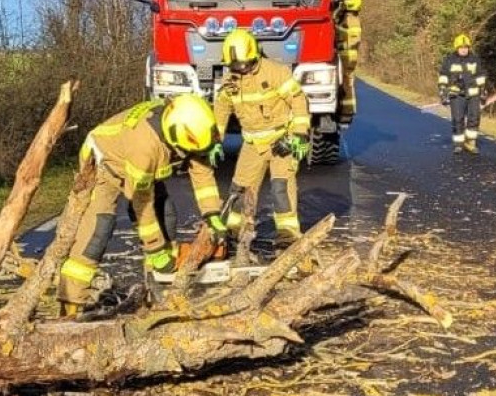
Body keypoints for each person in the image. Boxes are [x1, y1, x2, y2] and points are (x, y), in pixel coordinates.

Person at [57, 94, 225, 317]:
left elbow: (202, 173)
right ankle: (71, 304)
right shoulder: (144, 147)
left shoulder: (193, 124)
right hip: (103, 162)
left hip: (140, 165)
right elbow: (141, 203)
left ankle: (158, 292)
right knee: (97, 229)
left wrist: (212, 214)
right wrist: (155, 248)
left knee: (165, 215)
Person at [214, 29, 311, 251]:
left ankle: (288, 236)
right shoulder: (230, 82)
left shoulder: (276, 72)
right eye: (234, 66)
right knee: (240, 189)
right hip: (253, 144)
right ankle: (235, 232)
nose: (240, 69)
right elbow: (221, 110)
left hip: (281, 141)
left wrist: (299, 134)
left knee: (280, 188)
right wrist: (215, 141)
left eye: (243, 64)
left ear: (254, 56)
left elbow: (298, 100)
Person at [438, 34, 487, 154]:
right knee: (457, 119)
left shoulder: (475, 59)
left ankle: (470, 143)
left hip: (473, 94)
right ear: (457, 47)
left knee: (474, 118)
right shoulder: (449, 60)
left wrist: (482, 89)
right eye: (461, 47)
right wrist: (443, 91)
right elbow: (443, 76)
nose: (464, 49)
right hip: (456, 95)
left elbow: (481, 75)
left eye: (466, 47)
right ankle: (458, 144)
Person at [333, 0, 362, 123]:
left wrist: (334, 24)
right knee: (347, 80)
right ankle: (346, 110)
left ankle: (346, 111)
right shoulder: (352, 18)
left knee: (345, 80)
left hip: (346, 54)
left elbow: (347, 36)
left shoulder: (350, 20)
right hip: (349, 53)